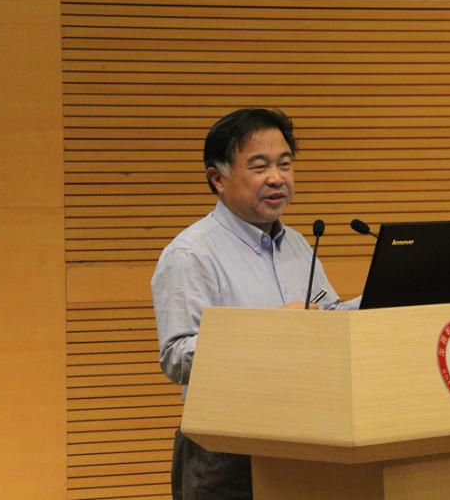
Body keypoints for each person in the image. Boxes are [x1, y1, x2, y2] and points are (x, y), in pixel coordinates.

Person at [151, 108, 359, 500]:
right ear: (217, 179)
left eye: (285, 164)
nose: (277, 178)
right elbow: (176, 358)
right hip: (226, 449)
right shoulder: (191, 254)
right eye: (259, 166)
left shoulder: (296, 244)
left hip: (304, 434)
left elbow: (325, 318)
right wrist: (268, 331)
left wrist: (381, 301)